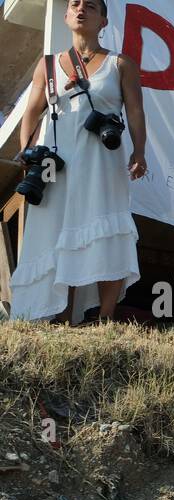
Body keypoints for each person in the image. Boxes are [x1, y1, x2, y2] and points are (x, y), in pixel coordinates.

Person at [10, 0, 146, 326]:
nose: (81, 8)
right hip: (57, 162)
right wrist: (27, 152)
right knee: (59, 232)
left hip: (103, 159)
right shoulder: (48, 65)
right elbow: (32, 111)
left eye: (91, 6)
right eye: (75, 4)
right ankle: (63, 316)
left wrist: (139, 152)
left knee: (107, 228)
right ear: (67, 15)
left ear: (103, 21)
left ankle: (104, 318)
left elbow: (136, 111)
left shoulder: (121, 63)